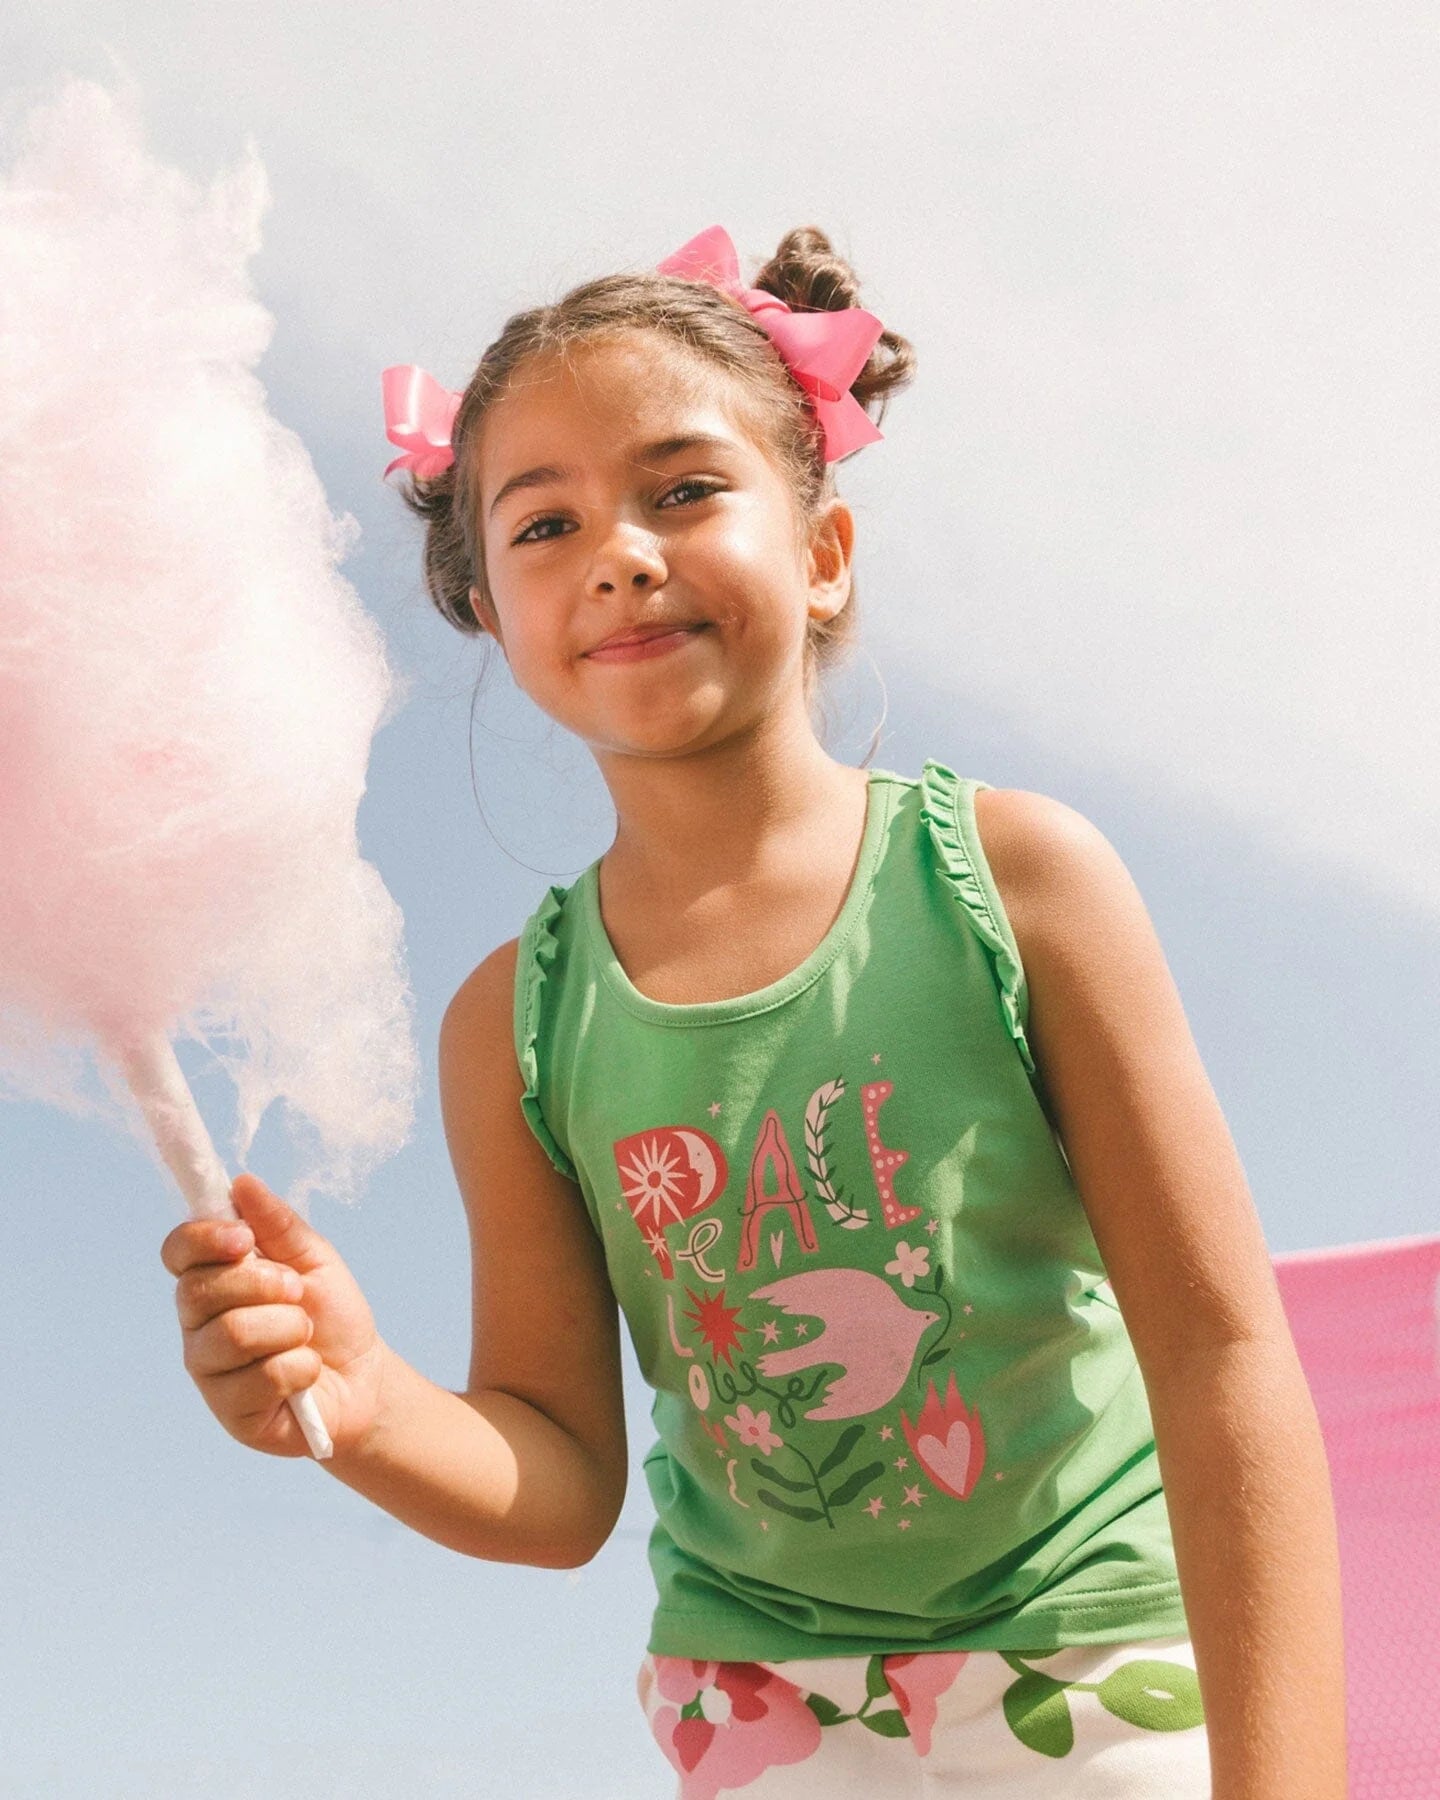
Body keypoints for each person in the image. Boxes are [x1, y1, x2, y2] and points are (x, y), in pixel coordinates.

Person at [160, 225, 1348, 1798]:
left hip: (1100, 1659)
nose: (619, 552)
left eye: (685, 490)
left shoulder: (1017, 881)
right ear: (497, 625)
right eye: (545, 524)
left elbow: (1219, 1357)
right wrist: (365, 1404)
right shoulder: (511, 1023)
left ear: (825, 551)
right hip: (764, 1703)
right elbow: (562, 1476)